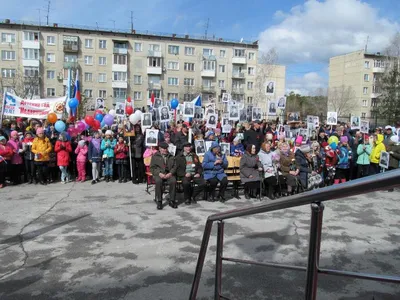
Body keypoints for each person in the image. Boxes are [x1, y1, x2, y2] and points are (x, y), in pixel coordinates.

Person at [150, 142, 177, 210]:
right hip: (159, 174)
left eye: (166, 148)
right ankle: (159, 201)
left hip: (168, 174)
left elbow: (174, 167)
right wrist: (159, 173)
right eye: (163, 148)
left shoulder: (171, 156)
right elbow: (152, 168)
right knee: (158, 181)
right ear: (159, 148)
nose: (165, 150)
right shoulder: (155, 156)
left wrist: (170, 173)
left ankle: (172, 200)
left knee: (173, 181)